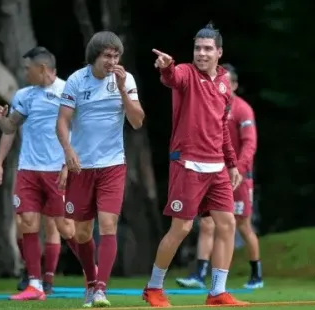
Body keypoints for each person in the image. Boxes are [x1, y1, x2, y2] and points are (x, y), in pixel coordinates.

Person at [143, 23, 247, 307]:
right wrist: (166, 66)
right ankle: (153, 288)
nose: (201, 53)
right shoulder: (185, 73)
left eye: (207, 49)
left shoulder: (225, 82)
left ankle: (217, 292)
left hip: (217, 168)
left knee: (227, 225)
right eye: (197, 48)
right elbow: (171, 77)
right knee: (182, 228)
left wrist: (233, 164)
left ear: (218, 52)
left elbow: (222, 127)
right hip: (187, 164)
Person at [56, 31, 145, 308]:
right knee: (81, 234)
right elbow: (62, 122)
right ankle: (91, 281)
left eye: (116, 55)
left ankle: (100, 290)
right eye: (107, 55)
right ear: (94, 56)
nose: (112, 61)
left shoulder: (125, 80)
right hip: (82, 167)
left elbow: (137, 121)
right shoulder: (75, 80)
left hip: (113, 165)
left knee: (109, 226)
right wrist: (68, 152)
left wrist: (120, 89)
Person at [0, 46, 79, 301]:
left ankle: (93, 274)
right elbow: (10, 127)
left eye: (27, 68)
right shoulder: (24, 95)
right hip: (28, 169)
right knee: (27, 222)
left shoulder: (67, 91)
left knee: (64, 227)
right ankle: (35, 284)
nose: (24, 72)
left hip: (57, 170)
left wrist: (67, 165)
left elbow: (80, 131)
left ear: (42, 69)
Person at [175, 63, 263, 290]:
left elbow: (250, 143)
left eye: (226, 81)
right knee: (206, 223)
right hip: (214, 173)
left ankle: (256, 273)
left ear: (234, 84)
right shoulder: (210, 105)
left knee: (242, 225)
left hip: (238, 175)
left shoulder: (242, 109)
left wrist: (239, 169)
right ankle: (199, 275)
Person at [0, 134, 61, 293]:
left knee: (53, 224)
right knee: (22, 222)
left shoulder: (61, 108)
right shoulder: (22, 109)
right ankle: (31, 272)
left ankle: (48, 279)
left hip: (54, 167)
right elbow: (9, 128)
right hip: (28, 168)